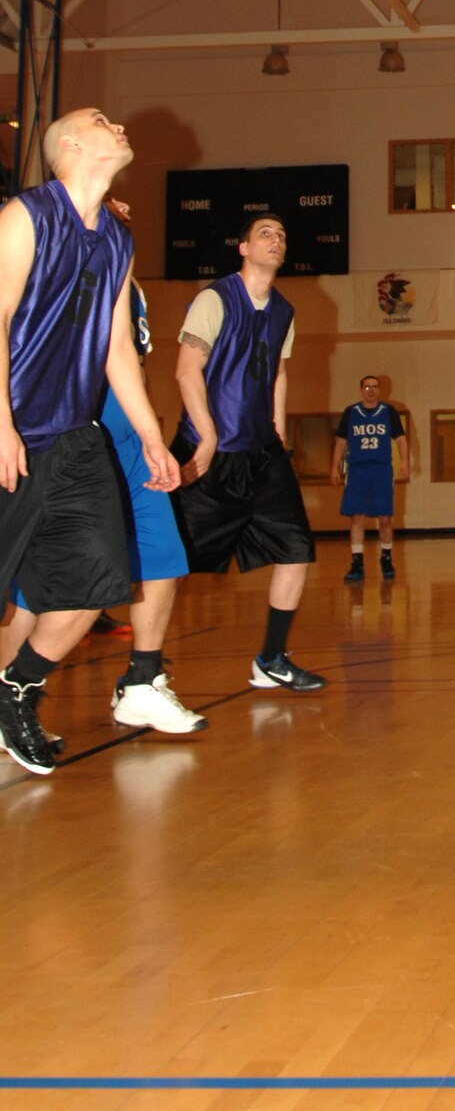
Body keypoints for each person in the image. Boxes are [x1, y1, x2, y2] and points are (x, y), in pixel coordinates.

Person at [0, 109, 178, 776]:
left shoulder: (117, 239)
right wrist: (2, 423)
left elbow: (116, 347)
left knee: (94, 580)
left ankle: (15, 691)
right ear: (70, 145)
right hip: (13, 430)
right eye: (103, 120)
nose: (120, 126)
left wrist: (152, 437)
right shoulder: (25, 217)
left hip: (75, 438)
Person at [1, 263, 205, 737]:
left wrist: (150, 435)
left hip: (129, 441)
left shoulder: (129, 282)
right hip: (69, 441)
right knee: (34, 592)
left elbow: (129, 360)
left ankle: (141, 682)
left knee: (163, 556)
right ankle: (11, 701)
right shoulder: (47, 262)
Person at [173, 213, 325, 694]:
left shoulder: (284, 311)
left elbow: (277, 373)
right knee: (168, 564)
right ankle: (141, 672)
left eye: (282, 234)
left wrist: (278, 432)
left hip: (261, 453)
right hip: (207, 453)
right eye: (265, 233)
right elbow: (186, 371)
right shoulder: (215, 298)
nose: (276, 240)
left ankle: (272, 659)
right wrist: (207, 436)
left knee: (296, 549)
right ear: (242, 248)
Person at [336, 374, 405, 582]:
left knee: (385, 517)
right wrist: (334, 467)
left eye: (374, 387)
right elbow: (341, 442)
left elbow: (401, 440)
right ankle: (357, 562)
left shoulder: (388, 412)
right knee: (357, 516)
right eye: (367, 387)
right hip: (357, 469)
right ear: (361, 390)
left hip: (381, 469)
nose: (371, 390)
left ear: (380, 390)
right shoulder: (350, 412)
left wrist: (405, 462)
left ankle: (386, 558)